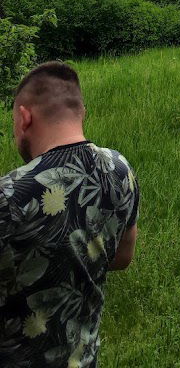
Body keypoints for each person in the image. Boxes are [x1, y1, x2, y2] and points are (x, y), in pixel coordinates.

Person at [0, 61, 139, 368]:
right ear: (81, 112)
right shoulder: (120, 169)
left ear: (24, 118)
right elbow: (122, 257)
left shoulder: (8, 196)